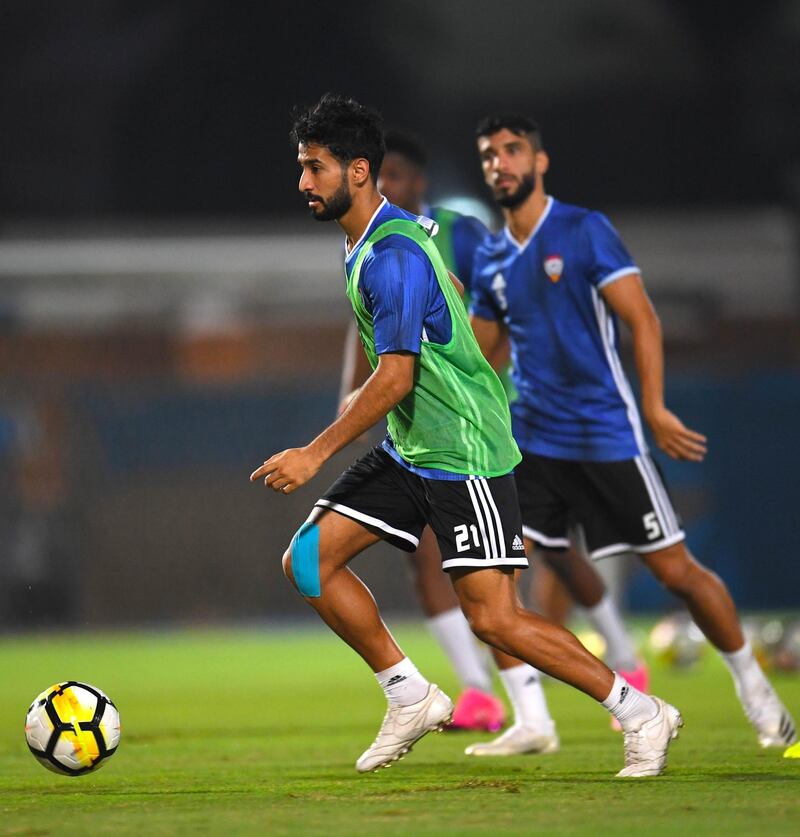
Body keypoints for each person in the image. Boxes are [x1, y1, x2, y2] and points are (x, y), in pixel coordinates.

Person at [251, 92, 682, 779]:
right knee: (309, 558)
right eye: (302, 167)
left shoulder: (389, 253)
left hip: (464, 454)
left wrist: (315, 451)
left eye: (315, 167)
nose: (303, 182)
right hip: (416, 447)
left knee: (497, 620)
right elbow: (440, 282)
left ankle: (640, 710)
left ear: (358, 171)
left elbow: (394, 378)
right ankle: (410, 694)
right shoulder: (386, 235)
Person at [466, 112, 797, 755]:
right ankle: (534, 720)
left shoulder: (583, 230)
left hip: (605, 437)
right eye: (488, 155)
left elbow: (641, 318)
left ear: (540, 162)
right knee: (499, 579)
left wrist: (655, 407)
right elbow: (486, 349)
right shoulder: (490, 255)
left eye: (512, 151)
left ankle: (752, 684)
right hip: (531, 442)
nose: (499, 163)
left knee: (675, 569)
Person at [340, 131, 647, 744]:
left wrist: (472, 381)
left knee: (528, 568)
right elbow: (370, 335)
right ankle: (479, 693)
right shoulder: (365, 245)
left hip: (485, 428)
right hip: (421, 435)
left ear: (411, 179)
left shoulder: (457, 233)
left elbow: (492, 311)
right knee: (434, 571)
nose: (391, 185)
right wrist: (358, 396)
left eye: (398, 174)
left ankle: (614, 667)